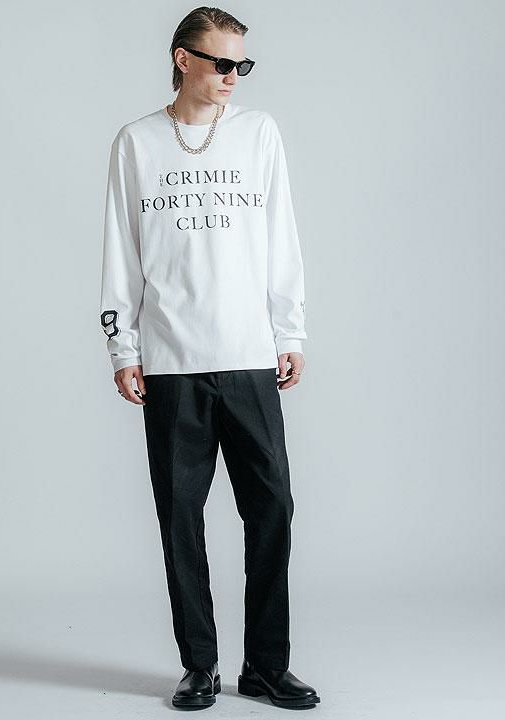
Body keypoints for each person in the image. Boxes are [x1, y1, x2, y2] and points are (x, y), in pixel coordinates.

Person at [100, 6, 321, 711]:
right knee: (180, 518)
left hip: (250, 353)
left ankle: (266, 666)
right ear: (183, 59)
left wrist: (289, 332)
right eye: (222, 63)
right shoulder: (137, 143)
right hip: (171, 360)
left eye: (242, 64)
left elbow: (281, 236)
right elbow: (121, 250)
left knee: (273, 508)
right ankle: (199, 665)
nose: (233, 76)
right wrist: (123, 345)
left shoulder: (259, 133)